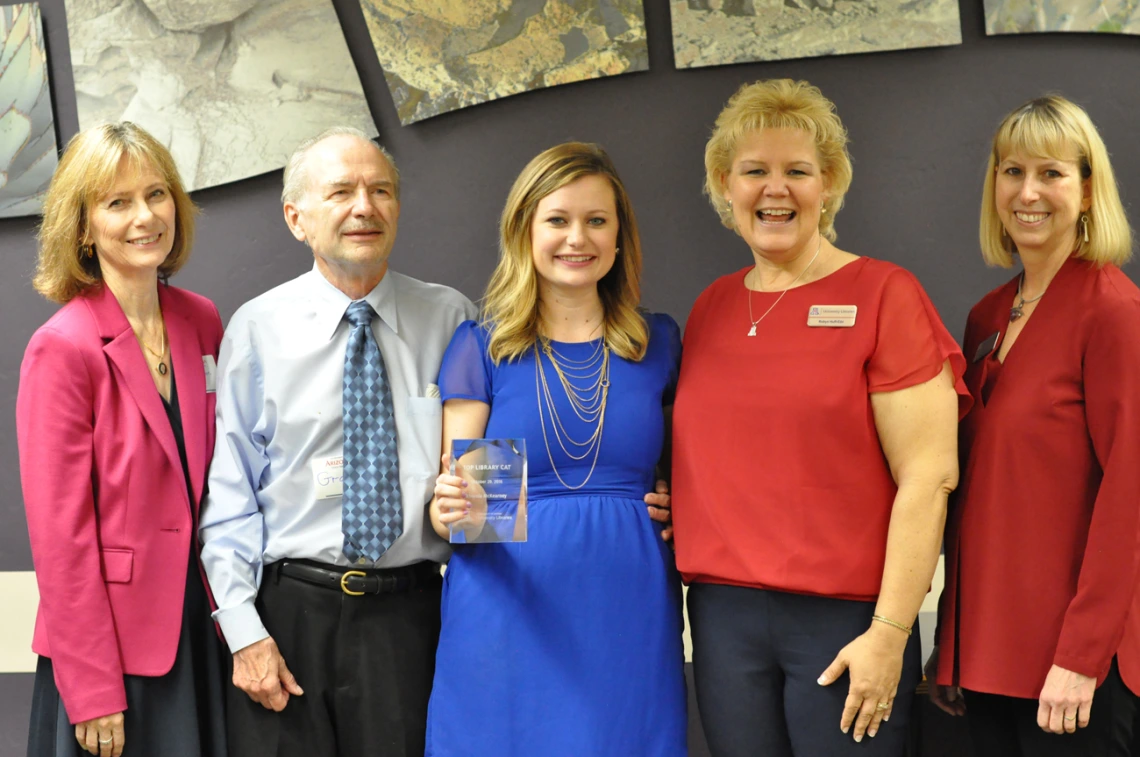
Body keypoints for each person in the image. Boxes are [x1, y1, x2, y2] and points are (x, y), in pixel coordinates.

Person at [670, 78, 970, 756]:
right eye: (755, 171)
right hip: (722, 619)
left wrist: (890, 633)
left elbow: (929, 477)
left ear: (829, 184)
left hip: (847, 622)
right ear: (725, 184)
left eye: (797, 171)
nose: (775, 189)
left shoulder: (884, 294)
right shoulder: (712, 307)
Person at [197, 127, 477, 757]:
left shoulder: (452, 319)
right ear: (297, 218)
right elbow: (232, 492)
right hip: (290, 615)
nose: (364, 207)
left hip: (411, 616)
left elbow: (484, 469)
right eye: (342, 191)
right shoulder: (257, 328)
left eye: (381, 190)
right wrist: (243, 631)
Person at [425, 142, 687, 756]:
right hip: (507, 604)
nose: (578, 238)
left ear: (620, 237)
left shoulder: (658, 343)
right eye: (558, 220)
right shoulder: (483, 347)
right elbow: (474, 513)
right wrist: (447, 510)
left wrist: (689, 504)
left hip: (628, 604)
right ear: (524, 231)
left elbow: (690, 468)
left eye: (597, 220)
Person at [928, 95, 1140, 757]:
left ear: (1087, 188)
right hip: (988, 655)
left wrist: (1082, 655)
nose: (1028, 192)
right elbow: (976, 492)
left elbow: (1131, 496)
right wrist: (952, 645)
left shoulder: (1113, 312)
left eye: (1050, 173)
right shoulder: (987, 316)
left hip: (1075, 666)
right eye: (1011, 171)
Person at [17, 122, 227, 757]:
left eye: (157, 194)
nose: (146, 216)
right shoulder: (62, 347)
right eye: (118, 202)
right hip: (111, 652)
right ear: (82, 226)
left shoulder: (202, 320)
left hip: (202, 626)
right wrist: (93, 688)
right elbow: (61, 539)